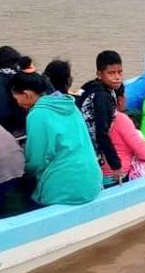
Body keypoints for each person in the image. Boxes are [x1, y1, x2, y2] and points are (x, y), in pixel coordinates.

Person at [11, 72, 102, 206]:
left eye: (16, 98)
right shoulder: (71, 106)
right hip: (92, 183)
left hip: (64, 189)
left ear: (27, 95)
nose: (17, 103)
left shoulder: (37, 115)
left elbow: (36, 161)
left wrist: (22, 170)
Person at [76, 51, 123, 180]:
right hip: (89, 146)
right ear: (99, 74)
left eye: (119, 72)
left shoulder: (89, 87)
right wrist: (116, 166)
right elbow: (101, 134)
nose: (117, 77)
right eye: (111, 73)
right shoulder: (102, 97)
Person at [102, 85, 145, 184]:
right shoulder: (120, 119)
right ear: (120, 99)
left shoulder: (93, 117)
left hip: (101, 177)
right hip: (120, 176)